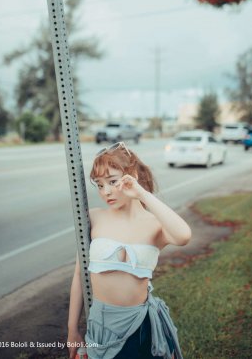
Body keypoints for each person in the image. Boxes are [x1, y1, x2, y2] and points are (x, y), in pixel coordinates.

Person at [67, 142, 192, 359]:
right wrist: (72, 329)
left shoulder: (154, 224)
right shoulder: (94, 217)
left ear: (130, 177)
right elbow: (79, 275)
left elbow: (183, 236)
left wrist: (141, 194)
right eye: (99, 185)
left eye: (112, 182)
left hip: (140, 325)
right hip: (102, 326)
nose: (106, 192)